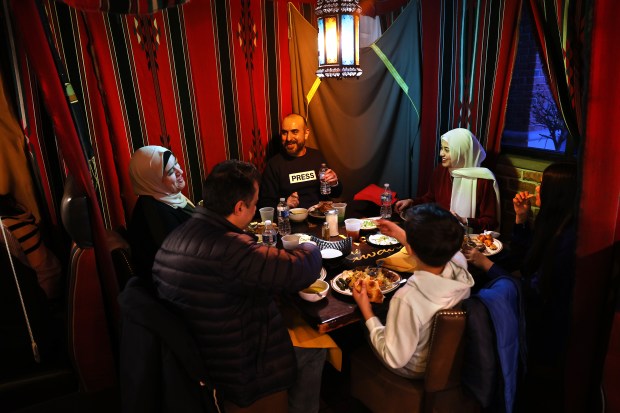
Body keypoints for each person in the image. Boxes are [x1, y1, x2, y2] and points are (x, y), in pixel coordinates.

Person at [152, 160, 323, 412]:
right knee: (314, 349)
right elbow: (299, 270)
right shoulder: (230, 250)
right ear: (239, 207)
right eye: (254, 205)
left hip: (199, 356)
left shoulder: (176, 236)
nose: (254, 210)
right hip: (241, 368)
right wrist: (309, 244)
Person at [463, 161, 577, 409]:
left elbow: (531, 292)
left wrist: (485, 264)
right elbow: (524, 260)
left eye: (542, 186)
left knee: (476, 301)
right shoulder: (555, 222)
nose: (537, 190)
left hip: (544, 323)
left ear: (556, 193)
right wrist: (522, 219)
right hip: (535, 304)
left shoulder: (567, 239)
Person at [352, 203, 475, 378]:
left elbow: (394, 358)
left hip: (413, 367)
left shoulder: (407, 298)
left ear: (409, 249)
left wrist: (366, 311)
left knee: (361, 322)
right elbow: (437, 245)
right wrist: (403, 235)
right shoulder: (459, 262)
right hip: (444, 358)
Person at [394, 128, 500, 232]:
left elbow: (490, 222)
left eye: (447, 150)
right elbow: (430, 199)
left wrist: (464, 220)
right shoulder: (441, 170)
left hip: (470, 240)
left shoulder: (483, 180)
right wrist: (411, 202)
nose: (441, 153)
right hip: (440, 233)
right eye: (442, 148)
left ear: (461, 152)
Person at [127, 145, 194, 280]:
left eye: (176, 163)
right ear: (152, 179)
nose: (180, 171)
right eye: (170, 172)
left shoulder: (167, 198)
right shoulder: (156, 214)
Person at [259, 113, 342, 209]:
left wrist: (334, 182)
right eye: (284, 133)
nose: (288, 138)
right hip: (291, 221)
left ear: (306, 134)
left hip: (320, 216)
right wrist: (285, 204)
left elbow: (337, 193)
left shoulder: (317, 157)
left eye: (294, 132)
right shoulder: (274, 164)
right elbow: (264, 204)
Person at [0, 193, 62, 299]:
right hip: (52, 271)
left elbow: (22, 271)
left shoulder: (4, 227)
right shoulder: (12, 211)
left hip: (45, 286)